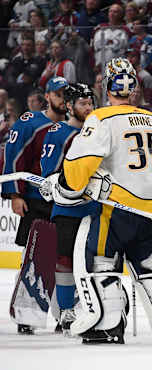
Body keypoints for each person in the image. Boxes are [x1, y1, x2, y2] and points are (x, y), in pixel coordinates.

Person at [46, 57, 152, 344]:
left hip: (116, 210)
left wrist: (65, 185)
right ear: (133, 88)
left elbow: (79, 165)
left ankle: (109, 324)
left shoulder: (102, 118)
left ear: (107, 87)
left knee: (102, 262)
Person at [1, 76, 69, 335]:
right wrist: (14, 195)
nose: (63, 99)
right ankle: (27, 313)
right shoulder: (31, 122)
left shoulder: (77, 125)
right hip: (37, 201)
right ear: (48, 97)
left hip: (68, 203)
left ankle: (64, 314)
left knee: (65, 260)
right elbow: (13, 157)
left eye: (66, 94)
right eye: (58, 94)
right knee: (35, 256)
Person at [39, 83, 100, 336]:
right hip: (67, 209)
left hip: (95, 208)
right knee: (64, 260)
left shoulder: (99, 132)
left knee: (96, 261)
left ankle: (96, 307)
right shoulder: (57, 133)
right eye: (83, 104)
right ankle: (66, 311)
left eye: (90, 104)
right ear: (69, 106)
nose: (88, 108)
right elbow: (48, 174)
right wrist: (56, 183)